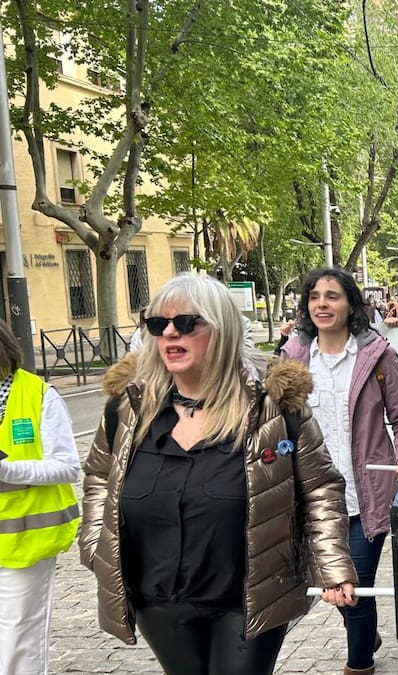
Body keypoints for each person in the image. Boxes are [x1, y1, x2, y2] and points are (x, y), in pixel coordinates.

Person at [80, 273, 357, 675]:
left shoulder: (273, 406)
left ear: (222, 328)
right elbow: (98, 479)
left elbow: (320, 488)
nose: (170, 333)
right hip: (158, 596)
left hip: (248, 596)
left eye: (187, 323)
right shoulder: (127, 408)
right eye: (158, 324)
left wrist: (332, 565)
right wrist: (96, 546)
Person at [279, 267, 398, 675]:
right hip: (309, 498)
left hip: (365, 496)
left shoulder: (377, 356)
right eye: (315, 297)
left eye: (332, 296)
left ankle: (359, 665)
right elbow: (275, 422)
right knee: (336, 588)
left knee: (353, 588)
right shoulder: (292, 359)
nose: (322, 304)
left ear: (350, 304)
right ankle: (365, 630)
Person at [0, 321, 79, 675]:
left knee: (19, 640)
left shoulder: (39, 395)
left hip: (26, 543)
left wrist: (7, 470)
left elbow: (67, 468)